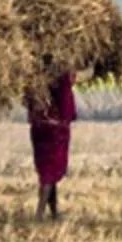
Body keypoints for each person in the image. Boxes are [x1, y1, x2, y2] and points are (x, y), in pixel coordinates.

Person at [28, 71, 77, 221]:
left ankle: (54, 211)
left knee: (48, 170)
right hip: (55, 130)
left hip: (38, 128)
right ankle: (39, 214)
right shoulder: (61, 81)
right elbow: (67, 107)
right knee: (50, 171)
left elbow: (28, 101)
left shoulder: (34, 77)